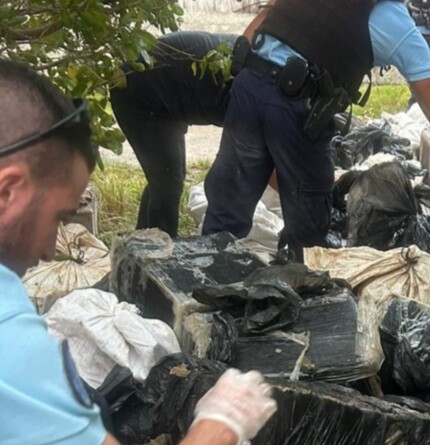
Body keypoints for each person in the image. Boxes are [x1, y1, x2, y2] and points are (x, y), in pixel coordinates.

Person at [0, 59, 277, 445]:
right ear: (7, 191)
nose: (50, 250)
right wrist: (221, 422)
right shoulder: (8, 341)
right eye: (58, 217)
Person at [202, 0, 430, 262]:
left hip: (249, 84)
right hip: (295, 105)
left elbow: (259, 25)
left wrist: (243, 93)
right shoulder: (397, 26)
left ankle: (201, 288)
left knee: (227, 208)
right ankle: (294, 306)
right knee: (309, 226)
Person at [110, 32, 237, 237]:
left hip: (163, 96)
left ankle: (141, 245)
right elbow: (237, 165)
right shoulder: (253, 92)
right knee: (167, 184)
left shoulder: (258, 73)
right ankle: (158, 259)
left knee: (165, 178)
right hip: (138, 91)